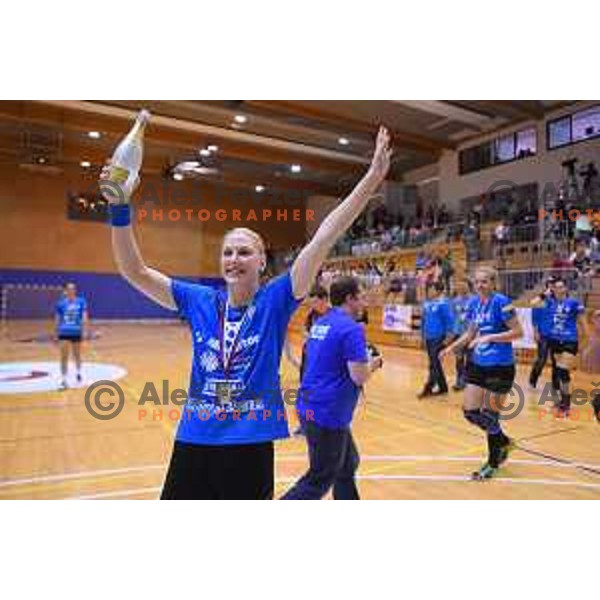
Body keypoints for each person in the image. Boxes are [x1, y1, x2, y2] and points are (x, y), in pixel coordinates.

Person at [100, 126, 392, 500]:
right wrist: (119, 205)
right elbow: (133, 270)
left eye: (243, 252)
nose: (233, 259)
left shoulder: (276, 300)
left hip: (249, 443)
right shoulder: (198, 300)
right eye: (227, 252)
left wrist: (370, 179)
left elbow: (324, 237)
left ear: (261, 261)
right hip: (195, 438)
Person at [281, 277, 383, 500]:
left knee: (347, 463)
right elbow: (359, 376)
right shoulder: (351, 329)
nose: (364, 304)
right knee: (319, 479)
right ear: (350, 299)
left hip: (310, 407)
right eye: (362, 298)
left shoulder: (322, 323)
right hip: (327, 414)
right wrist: (375, 363)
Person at [441, 266, 523, 480]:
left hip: (501, 366)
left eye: (484, 281)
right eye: (477, 282)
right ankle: (504, 441)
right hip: (478, 364)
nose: (480, 285)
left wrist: (489, 338)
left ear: (493, 283)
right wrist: (451, 348)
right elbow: (469, 334)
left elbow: (518, 332)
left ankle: (492, 462)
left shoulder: (502, 302)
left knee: (490, 415)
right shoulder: (474, 303)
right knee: (471, 412)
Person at [544, 277, 588, 415]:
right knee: (558, 372)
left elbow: (584, 324)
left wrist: (584, 343)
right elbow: (532, 303)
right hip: (554, 340)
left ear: (566, 289)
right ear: (553, 289)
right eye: (556, 287)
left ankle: (566, 405)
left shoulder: (574, 303)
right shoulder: (550, 302)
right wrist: (544, 294)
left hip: (570, 340)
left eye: (562, 287)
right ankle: (561, 402)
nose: (559, 289)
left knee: (563, 371)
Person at [418, 281, 454, 398]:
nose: (429, 291)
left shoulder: (444, 304)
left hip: (439, 338)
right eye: (429, 289)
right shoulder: (427, 304)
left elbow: (449, 322)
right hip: (429, 337)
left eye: (432, 289)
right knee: (435, 363)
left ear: (438, 291)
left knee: (434, 364)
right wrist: (423, 337)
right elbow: (423, 321)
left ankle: (429, 387)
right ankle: (443, 387)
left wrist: (447, 339)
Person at [55, 283, 88, 390]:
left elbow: (84, 316)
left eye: (73, 288)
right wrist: (56, 333)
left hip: (76, 332)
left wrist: (84, 331)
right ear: (65, 291)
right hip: (64, 332)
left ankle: (78, 372)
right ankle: (64, 380)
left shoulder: (81, 301)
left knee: (77, 355)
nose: (71, 290)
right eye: (69, 288)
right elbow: (57, 319)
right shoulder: (60, 304)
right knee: (63, 357)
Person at [528, 278, 555, 389]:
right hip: (543, 334)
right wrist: (535, 332)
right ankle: (532, 380)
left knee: (556, 361)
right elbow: (534, 316)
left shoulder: (559, 300)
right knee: (541, 360)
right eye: (550, 284)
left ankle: (555, 385)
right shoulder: (539, 300)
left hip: (556, 335)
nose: (551, 287)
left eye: (553, 284)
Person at [450, 279, 471, 391]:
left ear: (468, 287)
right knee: (459, 359)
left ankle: (468, 380)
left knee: (470, 359)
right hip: (458, 334)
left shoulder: (474, 300)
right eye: (459, 286)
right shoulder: (454, 302)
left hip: (470, 334)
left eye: (464, 286)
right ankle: (459, 380)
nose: (462, 288)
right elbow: (452, 318)